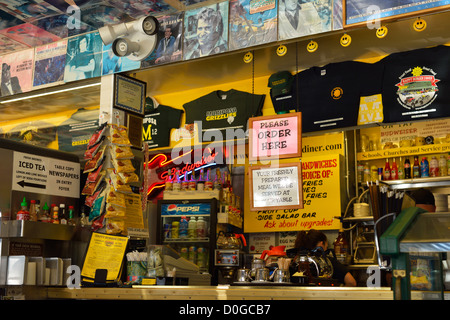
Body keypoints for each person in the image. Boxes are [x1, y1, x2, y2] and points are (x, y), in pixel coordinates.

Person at [288, 229, 357, 286]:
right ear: (321, 244)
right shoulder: (328, 262)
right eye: (326, 246)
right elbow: (351, 282)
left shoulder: (294, 262)